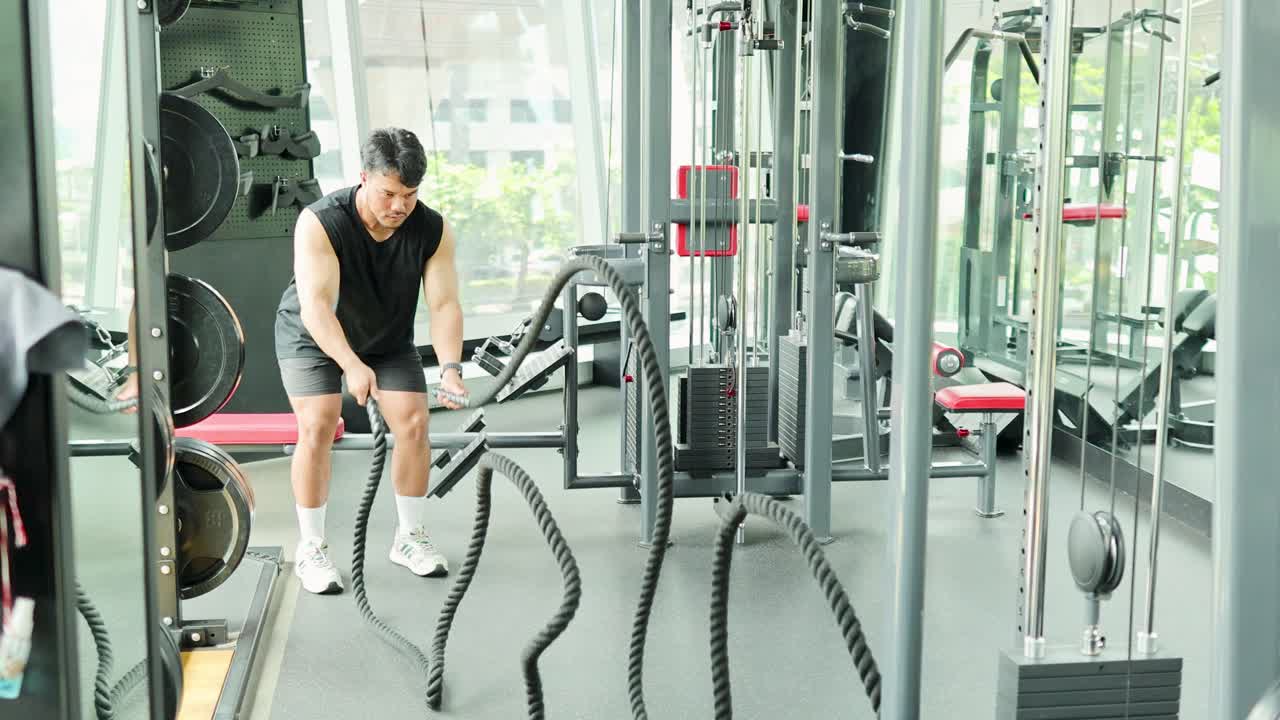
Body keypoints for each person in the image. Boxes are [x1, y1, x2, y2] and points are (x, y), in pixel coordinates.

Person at [273, 128, 466, 595]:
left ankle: (409, 537)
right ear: (364, 178)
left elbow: (443, 304)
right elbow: (317, 306)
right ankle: (312, 547)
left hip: (385, 336)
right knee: (319, 423)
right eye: (389, 193)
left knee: (415, 423)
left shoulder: (432, 229)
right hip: (312, 335)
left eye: (410, 194)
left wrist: (451, 369)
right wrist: (350, 364)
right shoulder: (320, 221)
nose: (399, 205)